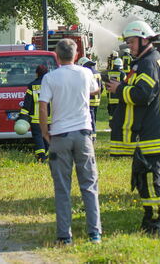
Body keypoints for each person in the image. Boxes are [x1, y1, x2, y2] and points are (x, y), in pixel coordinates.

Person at [105, 21, 160, 236]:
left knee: (151, 181)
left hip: (152, 133)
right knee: (144, 178)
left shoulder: (149, 63)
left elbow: (143, 95)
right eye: (127, 42)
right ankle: (149, 221)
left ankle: (155, 226)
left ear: (145, 39)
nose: (129, 46)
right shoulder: (147, 61)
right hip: (150, 131)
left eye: (131, 42)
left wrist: (120, 89)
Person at [39, 39, 102, 245]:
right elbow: (95, 90)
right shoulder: (85, 73)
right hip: (83, 134)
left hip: (60, 135)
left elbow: (42, 106)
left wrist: (45, 132)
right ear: (76, 55)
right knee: (89, 185)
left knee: (62, 188)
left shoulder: (50, 77)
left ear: (57, 56)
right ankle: (94, 233)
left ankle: (64, 235)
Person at [17, 65, 50, 162]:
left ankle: (41, 156)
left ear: (37, 74)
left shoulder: (32, 86)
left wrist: (22, 116)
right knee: (47, 136)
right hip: (49, 118)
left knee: (38, 137)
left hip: (36, 119)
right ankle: (48, 154)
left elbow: (27, 103)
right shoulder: (51, 84)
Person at [78, 54, 102, 134]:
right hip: (97, 99)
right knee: (94, 117)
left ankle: (92, 134)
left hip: (89, 99)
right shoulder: (97, 73)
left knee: (90, 118)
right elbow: (101, 87)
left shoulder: (86, 73)